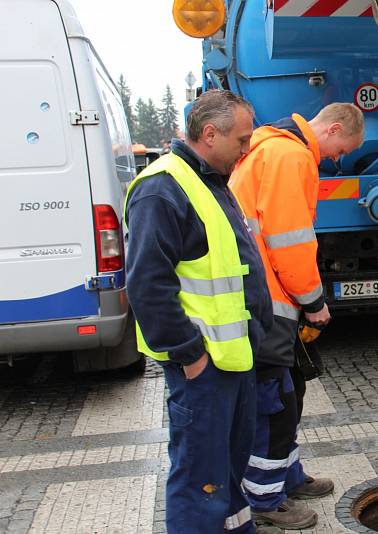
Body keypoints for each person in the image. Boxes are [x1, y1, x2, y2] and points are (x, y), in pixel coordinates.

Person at [125, 89, 280, 534]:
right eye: (242, 139)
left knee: (227, 475)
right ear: (209, 134)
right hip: (205, 368)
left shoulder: (211, 181)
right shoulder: (162, 188)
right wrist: (190, 356)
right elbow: (147, 285)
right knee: (201, 482)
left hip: (232, 360)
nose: (247, 149)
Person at [229, 103, 364, 530]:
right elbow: (290, 242)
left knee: (289, 395)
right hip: (267, 302)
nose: (339, 158)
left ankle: (287, 476)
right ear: (334, 128)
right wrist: (314, 302)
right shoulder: (292, 157)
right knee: (275, 406)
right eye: (344, 148)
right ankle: (267, 501)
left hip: (260, 297)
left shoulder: (273, 149)